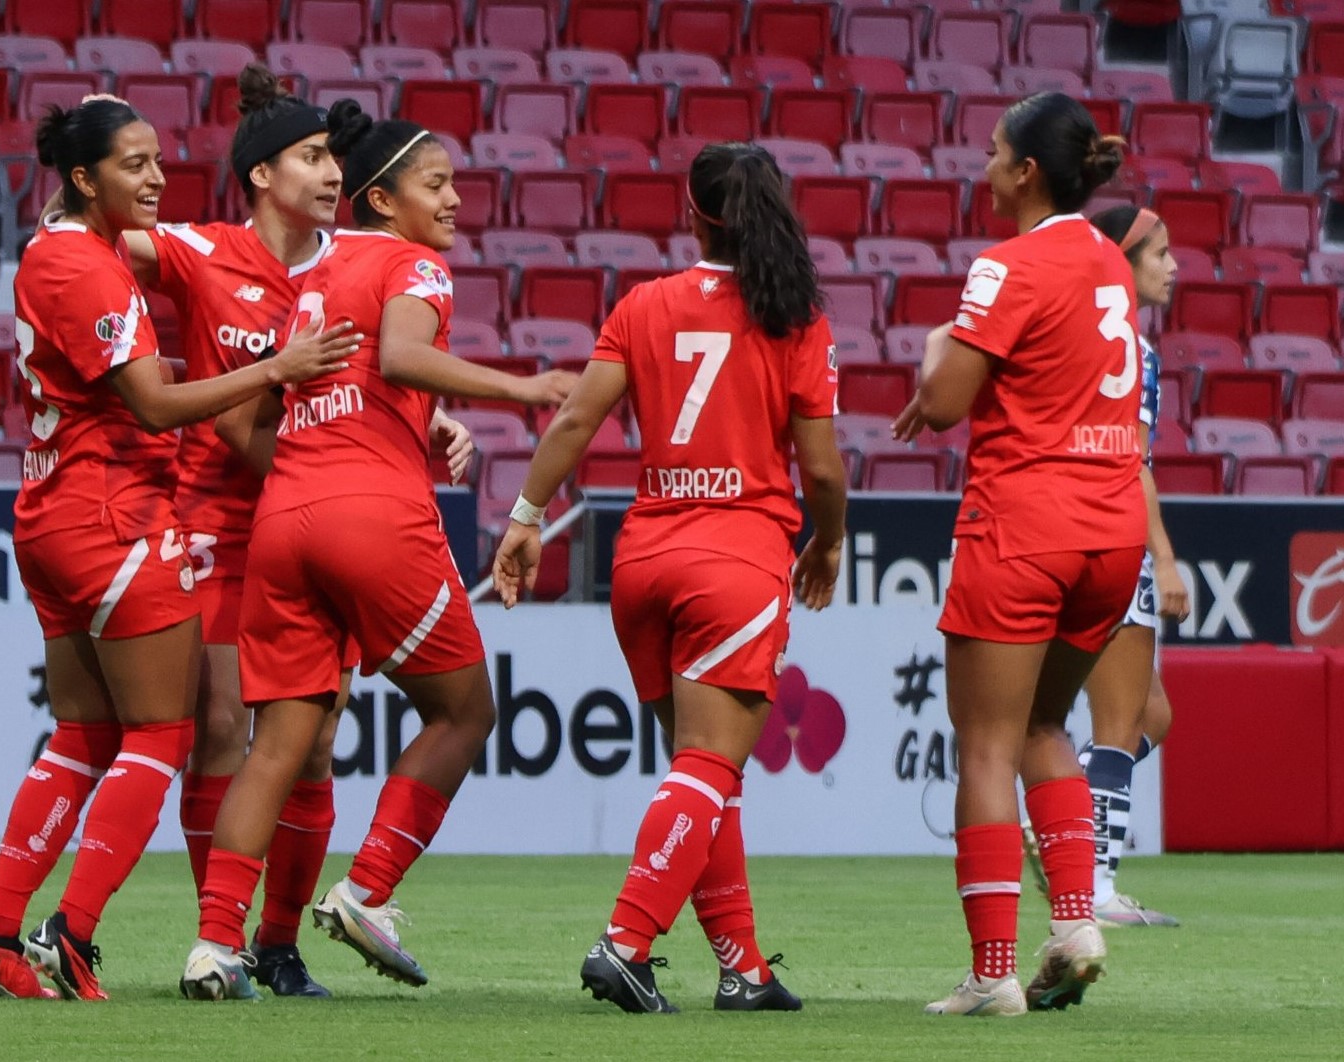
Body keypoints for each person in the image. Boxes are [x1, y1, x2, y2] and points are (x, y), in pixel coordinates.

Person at [0, 96, 353, 1002]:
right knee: (162, 734)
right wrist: (273, 371)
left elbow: (119, 384)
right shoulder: (87, 268)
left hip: (54, 505)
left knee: (83, 734)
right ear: (86, 179)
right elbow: (151, 408)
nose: (157, 177)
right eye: (133, 163)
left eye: (159, 159)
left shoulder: (63, 252)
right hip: (114, 515)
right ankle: (73, 932)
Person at [179, 100, 575, 1001]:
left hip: (282, 521)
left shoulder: (309, 285)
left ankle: (215, 947)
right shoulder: (412, 263)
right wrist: (523, 386)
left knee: (276, 743)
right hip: (373, 518)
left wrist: (372, 443)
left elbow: (260, 414)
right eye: (434, 183)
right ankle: (367, 892)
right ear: (382, 197)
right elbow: (399, 357)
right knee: (465, 710)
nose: (454, 200)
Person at [115, 67, 473, 998]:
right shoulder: (204, 250)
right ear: (262, 173)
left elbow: (370, 382)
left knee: (310, 741)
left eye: (330, 157)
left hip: (296, 513)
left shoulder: (342, 267)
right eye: (311, 157)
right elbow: (94, 246)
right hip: (217, 515)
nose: (328, 172)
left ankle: (275, 946)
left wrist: (424, 422)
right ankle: (219, 936)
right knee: (226, 726)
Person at [493, 142, 847, 1014]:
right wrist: (828, 542)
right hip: (735, 557)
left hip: (643, 558)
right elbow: (825, 472)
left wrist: (527, 517)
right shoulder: (792, 314)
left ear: (692, 214)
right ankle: (624, 942)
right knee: (707, 766)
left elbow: (577, 417)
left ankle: (744, 970)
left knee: (701, 775)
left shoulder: (642, 304)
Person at [891, 92, 1145, 1016]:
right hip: (1111, 532)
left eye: (995, 153)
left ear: (1027, 172)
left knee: (987, 747)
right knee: (1046, 729)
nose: (985, 167)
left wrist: (936, 348)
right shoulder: (1108, 262)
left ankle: (991, 973)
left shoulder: (1004, 266)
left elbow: (947, 396)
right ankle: (1075, 922)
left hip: (1024, 524)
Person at [1039, 204, 1188, 927]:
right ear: (1119, 264)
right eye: (1158, 252)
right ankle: (1089, 881)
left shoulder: (1057, 329)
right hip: (1107, 534)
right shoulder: (1129, 347)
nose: (1172, 265)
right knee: (1117, 719)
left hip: (1041, 532)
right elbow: (1132, 462)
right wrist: (1162, 559)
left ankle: (1067, 841)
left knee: (1147, 712)